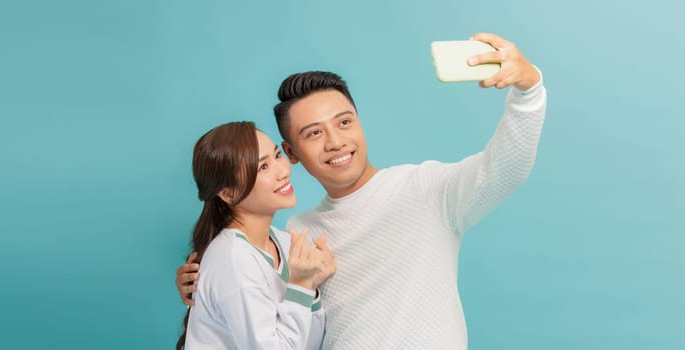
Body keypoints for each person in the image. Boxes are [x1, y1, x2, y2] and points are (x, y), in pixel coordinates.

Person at [174, 32, 547, 349]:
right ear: (292, 153)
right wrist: (206, 292)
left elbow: (506, 169)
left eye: (344, 122)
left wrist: (528, 91)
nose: (335, 142)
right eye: (314, 133)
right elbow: (273, 320)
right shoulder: (298, 234)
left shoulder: (427, 190)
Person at [176, 121, 337, 350]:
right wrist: (301, 284)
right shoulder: (233, 259)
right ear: (228, 193)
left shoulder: (284, 243)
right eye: (262, 167)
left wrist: (310, 288)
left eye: (277, 156)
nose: (283, 171)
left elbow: (308, 344)